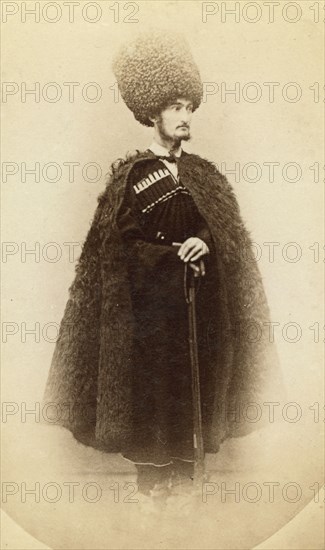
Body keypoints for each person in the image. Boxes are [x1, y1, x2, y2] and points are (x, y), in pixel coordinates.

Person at [43, 32, 283, 497]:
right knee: (153, 398)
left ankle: (186, 494)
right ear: (152, 112)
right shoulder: (132, 176)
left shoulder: (206, 176)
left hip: (202, 309)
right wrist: (173, 256)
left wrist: (205, 241)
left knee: (195, 397)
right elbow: (121, 247)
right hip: (150, 314)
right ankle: (151, 492)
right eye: (175, 107)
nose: (185, 116)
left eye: (189, 107)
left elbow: (226, 236)